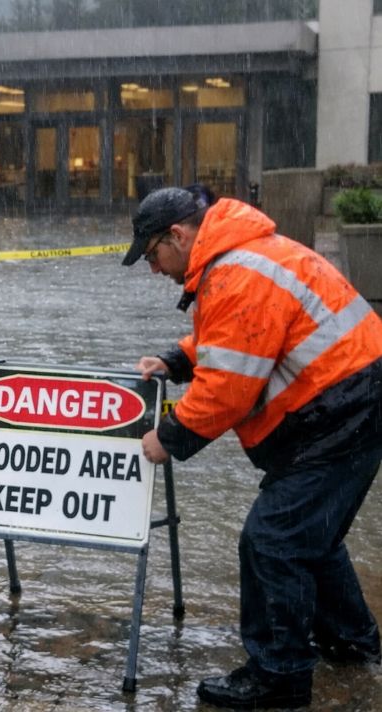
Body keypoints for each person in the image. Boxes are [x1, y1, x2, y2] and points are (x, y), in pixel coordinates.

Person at [123, 185, 382, 709]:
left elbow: (228, 386)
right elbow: (240, 336)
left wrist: (168, 438)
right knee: (312, 536)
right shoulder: (244, 256)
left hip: (340, 412)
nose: (155, 269)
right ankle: (352, 644)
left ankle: (278, 676)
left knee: (272, 540)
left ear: (178, 234)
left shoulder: (235, 272)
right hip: (354, 404)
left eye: (153, 255)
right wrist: (176, 360)